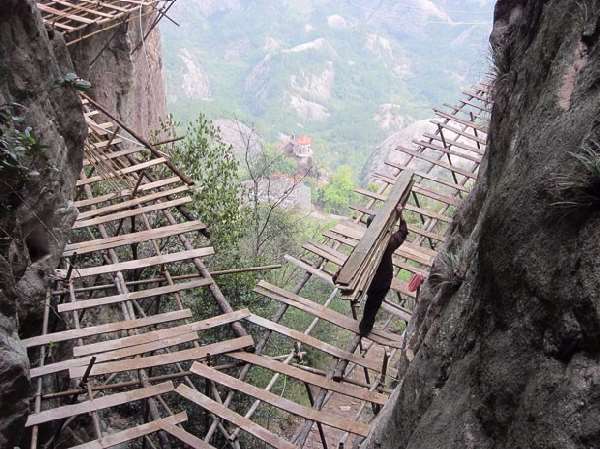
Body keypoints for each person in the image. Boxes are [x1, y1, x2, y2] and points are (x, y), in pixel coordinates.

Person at [359, 210, 408, 336]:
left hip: (369, 281)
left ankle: (364, 326)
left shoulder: (365, 243)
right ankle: (365, 329)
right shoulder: (387, 244)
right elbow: (403, 232)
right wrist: (401, 214)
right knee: (373, 306)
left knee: (370, 303)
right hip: (382, 281)